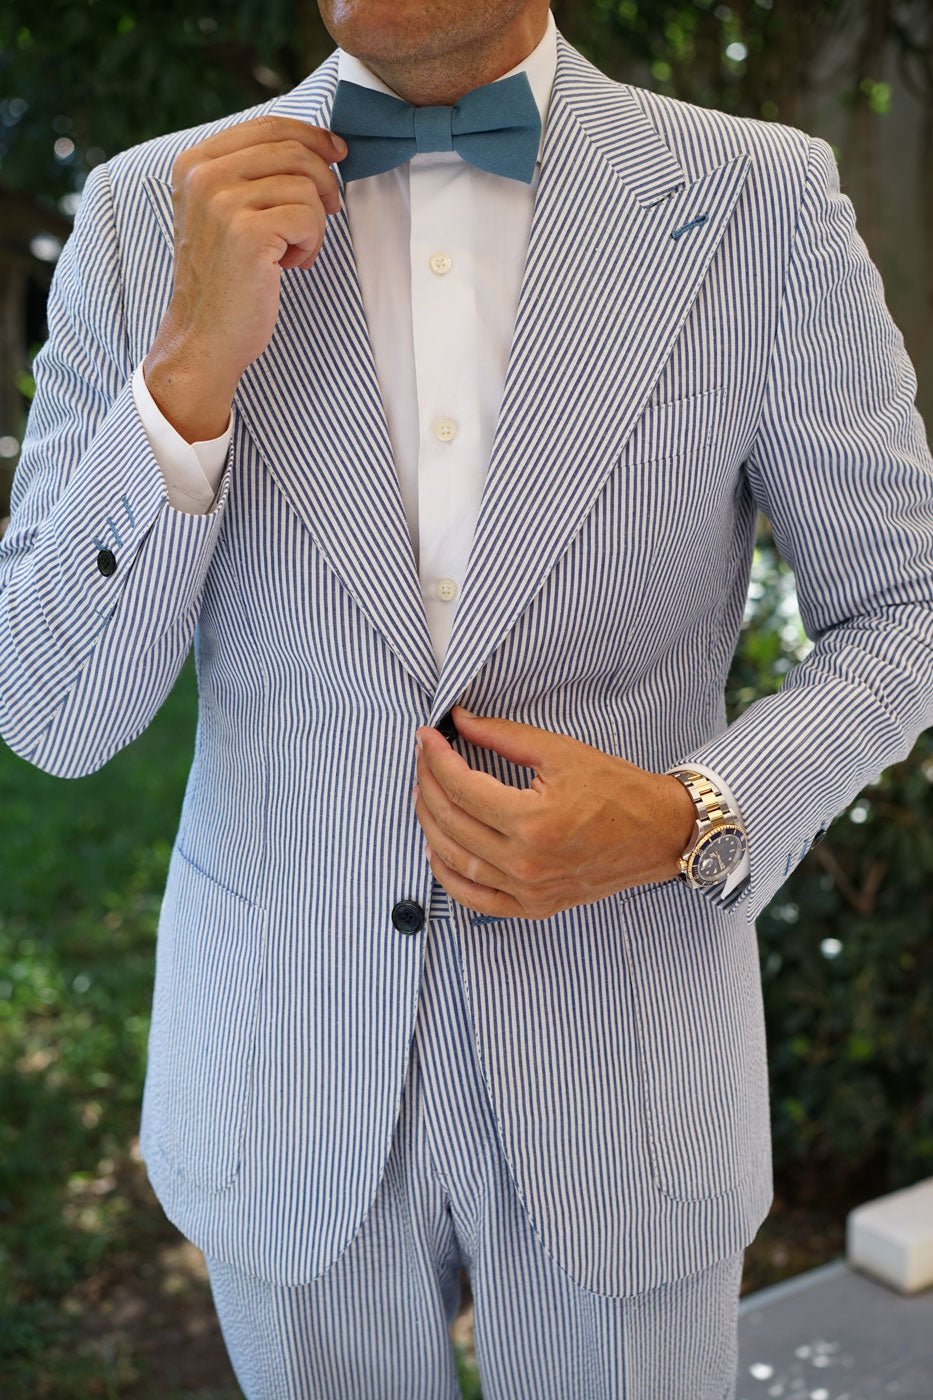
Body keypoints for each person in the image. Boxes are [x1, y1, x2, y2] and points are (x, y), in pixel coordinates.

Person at [2, 1, 931, 1395]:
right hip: (280, 1073)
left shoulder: (759, 202)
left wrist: (686, 815)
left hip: (626, 1081)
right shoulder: (151, 214)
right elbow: (53, 708)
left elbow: (904, 606)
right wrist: (183, 376)